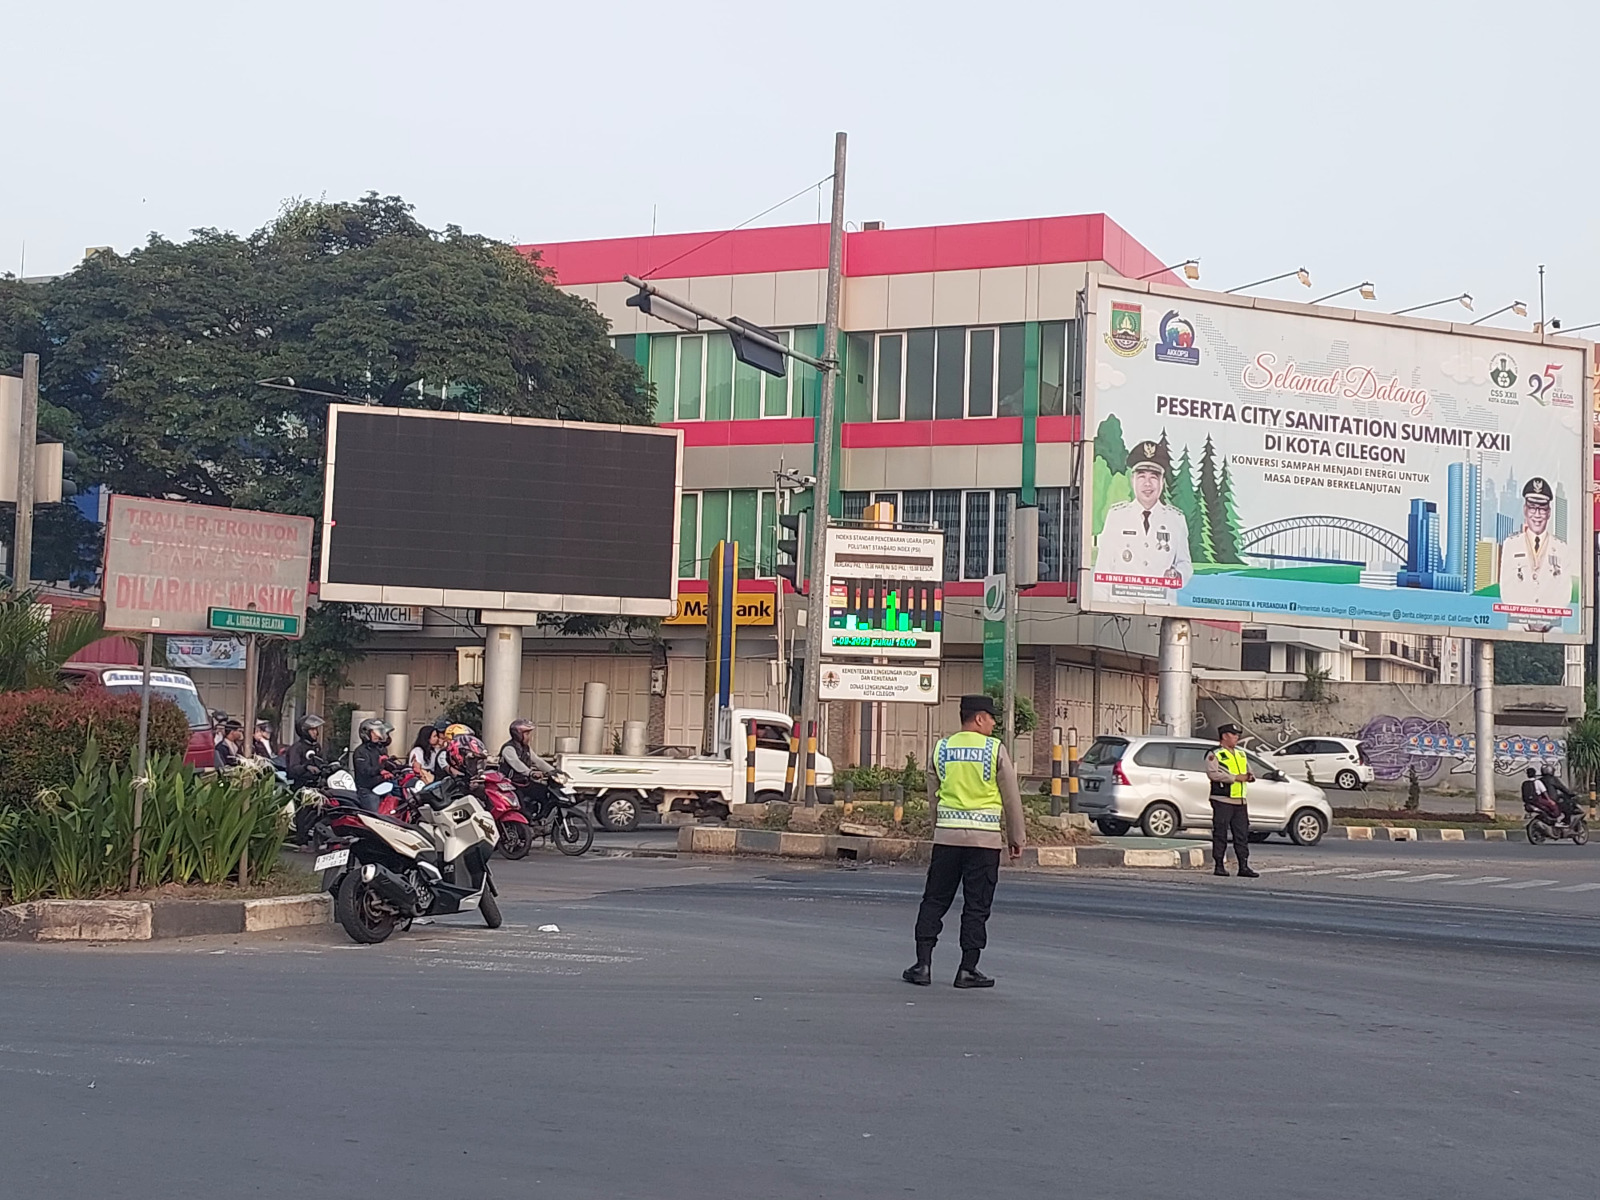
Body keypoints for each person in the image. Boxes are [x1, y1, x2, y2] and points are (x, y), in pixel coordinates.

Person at [903, 694, 1027, 990]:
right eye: (991, 718)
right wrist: (1016, 837)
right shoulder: (994, 749)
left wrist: (939, 830)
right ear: (979, 718)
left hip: (947, 839)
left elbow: (933, 797)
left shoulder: (942, 748)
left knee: (934, 899)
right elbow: (1011, 798)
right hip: (984, 843)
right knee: (976, 905)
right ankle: (967, 969)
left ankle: (922, 965)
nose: (994, 724)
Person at [1092, 439, 1193, 594]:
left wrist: (1177, 575)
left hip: (1161, 603)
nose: (1147, 484)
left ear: (1162, 482)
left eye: (1153, 477)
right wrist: (1101, 604)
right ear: (1133, 480)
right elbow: (1103, 567)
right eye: (1141, 476)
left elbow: (1185, 563)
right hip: (1124, 603)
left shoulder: (1176, 520)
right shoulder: (1116, 517)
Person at [1498, 477, 1573, 629]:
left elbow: (1565, 593)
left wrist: (1543, 620)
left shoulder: (1561, 548)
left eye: (1542, 509)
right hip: (1518, 626)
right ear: (1525, 510)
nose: (1537, 515)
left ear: (1549, 513)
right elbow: (1506, 589)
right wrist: (1527, 619)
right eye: (1532, 508)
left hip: (1551, 628)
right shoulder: (1511, 544)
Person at [1206, 723, 1258, 878]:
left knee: (1242, 835)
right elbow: (1212, 773)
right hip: (1222, 799)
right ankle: (1219, 866)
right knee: (1220, 833)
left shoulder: (1241, 754)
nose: (1237, 737)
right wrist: (1234, 778)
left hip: (1240, 801)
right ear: (1224, 736)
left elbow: (1249, 770)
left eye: (1237, 735)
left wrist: (1250, 776)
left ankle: (1243, 866)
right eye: (1233, 735)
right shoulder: (1215, 754)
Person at [500, 718, 559, 820]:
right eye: (527, 734)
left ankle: (540, 818)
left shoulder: (525, 748)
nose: (529, 737)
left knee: (545, 791)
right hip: (510, 784)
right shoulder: (509, 748)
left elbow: (537, 761)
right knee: (521, 807)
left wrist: (553, 771)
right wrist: (530, 773)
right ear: (518, 734)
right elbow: (516, 763)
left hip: (524, 782)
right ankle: (526, 823)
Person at [352, 717, 396, 812]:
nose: (378, 735)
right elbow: (365, 771)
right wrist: (380, 769)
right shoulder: (361, 751)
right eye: (374, 732)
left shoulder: (380, 749)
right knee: (374, 815)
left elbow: (387, 765)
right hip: (368, 790)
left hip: (382, 786)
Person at [285, 714, 329, 788]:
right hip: (301, 786)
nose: (315, 732)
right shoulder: (297, 748)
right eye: (312, 730)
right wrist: (306, 767)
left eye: (316, 729)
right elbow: (292, 770)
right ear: (304, 731)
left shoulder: (316, 746)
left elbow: (321, 761)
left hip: (317, 784)